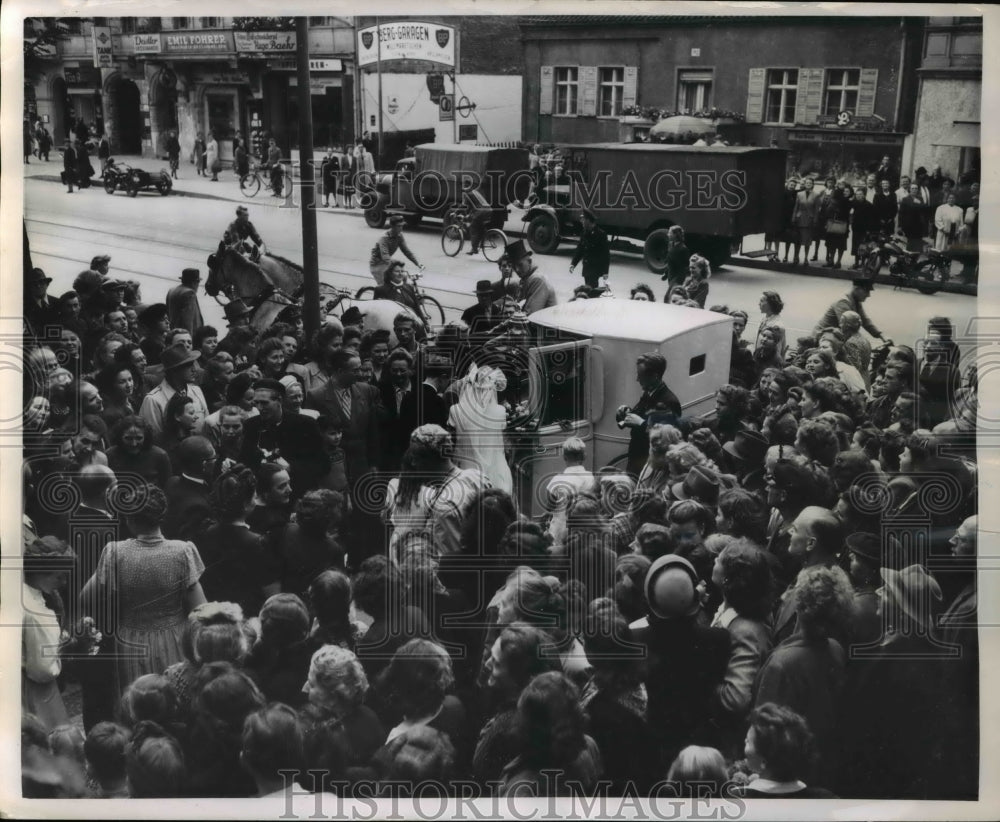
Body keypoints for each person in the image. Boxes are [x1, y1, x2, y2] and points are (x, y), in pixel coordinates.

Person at [80, 484, 206, 708]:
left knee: (138, 704)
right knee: (174, 700)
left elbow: (86, 598)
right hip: (174, 637)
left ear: (129, 518)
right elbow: (200, 608)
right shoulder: (182, 551)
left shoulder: (115, 552)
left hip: (130, 639)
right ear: (161, 516)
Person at [499, 671, 603, 797]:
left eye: (576, 721)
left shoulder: (588, 748)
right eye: (563, 729)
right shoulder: (523, 790)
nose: (576, 738)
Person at [239, 378, 330, 496]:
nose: (259, 408)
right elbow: (245, 460)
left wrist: (291, 468)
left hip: (297, 493)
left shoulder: (305, 424)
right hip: (264, 495)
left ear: (280, 400)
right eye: (256, 403)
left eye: (264, 403)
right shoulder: (251, 425)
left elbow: (323, 464)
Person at [734, 703, 836, 797]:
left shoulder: (736, 799)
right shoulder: (825, 798)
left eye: (748, 742)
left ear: (764, 761)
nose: (744, 741)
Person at [448, 364, 512, 493]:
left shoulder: (455, 410)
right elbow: (505, 444)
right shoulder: (500, 411)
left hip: (465, 471)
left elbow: (450, 443)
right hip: (497, 471)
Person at [620, 352, 682, 477]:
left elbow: (667, 438)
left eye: (641, 375)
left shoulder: (669, 401)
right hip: (636, 456)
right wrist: (627, 412)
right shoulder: (649, 393)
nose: (637, 379)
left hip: (650, 463)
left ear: (655, 376)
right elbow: (641, 413)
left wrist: (641, 423)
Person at [139, 342, 210, 438]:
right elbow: (154, 437)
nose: (194, 369)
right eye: (188, 365)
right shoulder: (153, 400)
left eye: (193, 364)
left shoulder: (196, 391)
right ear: (174, 371)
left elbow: (207, 426)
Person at [813, 278, 885, 343]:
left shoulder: (856, 301)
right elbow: (849, 327)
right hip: (822, 338)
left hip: (835, 336)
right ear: (856, 289)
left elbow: (865, 320)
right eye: (866, 291)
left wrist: (881, 336)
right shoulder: (842, 302)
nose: (868, 295)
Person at [370, 215, 423, 285]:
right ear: (392, 226)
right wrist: (395, 263)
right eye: (398, 226)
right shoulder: (384, 238)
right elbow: (385, 256)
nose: (401, 228)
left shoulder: (399, 236)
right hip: (377, 265)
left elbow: (406, 251)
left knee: (403, 277)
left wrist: (417, 263)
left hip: (387, 263)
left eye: (402, 226)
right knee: (385, 287)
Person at [506, 240, 556, 315]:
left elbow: (530, 313)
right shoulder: (526, 278)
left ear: (529, 261)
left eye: (520, 265)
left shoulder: (537, 279)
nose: (517, 270)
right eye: (514, 266)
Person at [569, 209, 611, 290]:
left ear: (588, 220)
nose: (581, 221)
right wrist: (573, 264)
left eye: (583, 219)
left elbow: (606, 255)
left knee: (591, 291)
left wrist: (605, 272)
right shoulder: (584, 233)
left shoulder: (601, 234)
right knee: (588, 290)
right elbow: (580, 250)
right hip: (586, 269)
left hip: (595, 270)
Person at [790, 176, 822, 265]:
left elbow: (817, 210)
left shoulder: (816, 195)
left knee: (807, 241)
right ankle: (796, 257)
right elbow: (796, 207)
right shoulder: (799, 194)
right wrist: (793, 218)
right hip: (799, 219)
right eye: (807, 183)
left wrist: (815, 220)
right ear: (805, 184)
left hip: (809, 220)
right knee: (797, 240)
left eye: (810, 183)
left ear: (813, 185)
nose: (808, 184)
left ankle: (805, 258)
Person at [165, 268, 204, 336]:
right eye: (198, 282)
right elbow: (187, 322)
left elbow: (168, 313)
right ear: (194, 282)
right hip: (187, 336)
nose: (198, 285)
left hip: (174, 334)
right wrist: (188, 339)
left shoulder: (172, 290)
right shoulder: (190, 294)